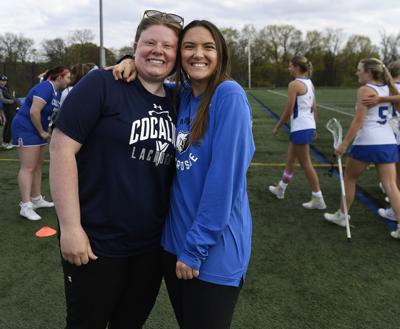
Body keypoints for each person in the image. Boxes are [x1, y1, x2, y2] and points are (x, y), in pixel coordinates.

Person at [114, 19, 254, 329]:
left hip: (210, 252)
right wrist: (128, 59)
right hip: (172, 245)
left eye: (208, 47)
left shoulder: (228, 96)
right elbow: (152, 73)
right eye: (189, 46)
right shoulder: (184, 96)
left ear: (221, 54)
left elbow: (223, 184)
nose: (198, 54)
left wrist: (195, 249)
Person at [49, 10, 182, 329]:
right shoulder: (102, 83)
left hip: (151, 246)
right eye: (150, 42)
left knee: (130, 323)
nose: (158, 50)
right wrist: (70, 228)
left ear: (177, 56)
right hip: (96, 242)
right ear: (135, 45)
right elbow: (61, 149)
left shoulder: (181, 99)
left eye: (168, 45)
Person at [324, 58, 400, 239]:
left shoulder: (365, 89)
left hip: (368, 141)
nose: (357, 72)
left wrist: (344, 144)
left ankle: (342, 215)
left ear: (369, 72)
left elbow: (358, 121)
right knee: (391, 186)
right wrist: (384, 98)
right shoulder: (389, 88)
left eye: (359, 70)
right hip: (388, 141)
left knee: (349, 178)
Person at [11, 66, 70, 221]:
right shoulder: (45, 87)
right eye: (67, 77)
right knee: (28, 167)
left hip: (37, 129)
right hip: (26, 128)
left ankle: (36, 199)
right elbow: (33, 112)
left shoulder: (56, 92)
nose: (69, 80)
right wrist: (42, 132)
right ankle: (25, 205)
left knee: (37, 165)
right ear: (59, 77)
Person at [268, 56, 326, 210]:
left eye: (290, 66)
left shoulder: (294, 84)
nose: (289, 69)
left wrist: (277, 126)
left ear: (296, 67)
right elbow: (314, 107)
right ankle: (281, 189)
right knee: (290, 161)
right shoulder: (309, 83)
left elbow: (289, 110)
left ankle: (318, 197)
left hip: (300, 128)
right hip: (304, 127)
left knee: (306, 163)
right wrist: (313, 126)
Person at [361, 60, 400, 222]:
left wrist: (381, 99)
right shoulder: (390, 87)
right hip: (392, 134)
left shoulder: (391, 87)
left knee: (395, 176)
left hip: (394, 135)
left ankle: (394, 209)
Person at [0, 74, 17, 148]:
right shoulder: (0, 89)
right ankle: (7, 142)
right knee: (10, 124)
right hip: (6, 109)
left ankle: (5, 142)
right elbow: (2, 99)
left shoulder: (5, 88)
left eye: (5, 81)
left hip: (9, 109)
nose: (3, 82)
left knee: (8, 124)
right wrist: (12, 101)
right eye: (2, 80)